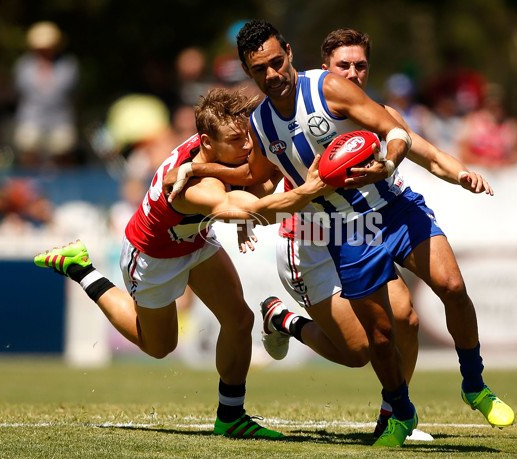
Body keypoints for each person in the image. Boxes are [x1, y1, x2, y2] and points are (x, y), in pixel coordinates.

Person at [165, 20, 515, 448]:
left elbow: (395, 131)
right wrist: (198, 167)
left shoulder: (329, 88)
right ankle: (400, 412)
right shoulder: (260, 123)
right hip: (343, 230)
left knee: (453, 287)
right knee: (380, 336)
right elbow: (252, 174)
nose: (272, 74)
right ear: (247, 70)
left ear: (290, 52)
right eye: (261, 69)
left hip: (394, 208)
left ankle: (474, 384)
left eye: (277, 62)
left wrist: (390, 164)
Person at [33, 88, 330, 439]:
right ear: (206, 141)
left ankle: (231, 416)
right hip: (152, 254)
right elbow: (236, 206)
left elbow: (253, 183)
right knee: (160, 347)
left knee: (239, 319)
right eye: (237, 140)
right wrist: (310, 188)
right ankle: (82, 269)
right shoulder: (192, 186)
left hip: (194, 238)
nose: (247, 146)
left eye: (246, 136)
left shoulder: (217, 147)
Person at [13, 21, 80, 167]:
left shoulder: (68, 65)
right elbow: (21, 90)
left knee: (63, 147)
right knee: (28, 144)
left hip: (60, 117)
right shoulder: (24, 66)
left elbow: (68, 89)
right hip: (31, 117)